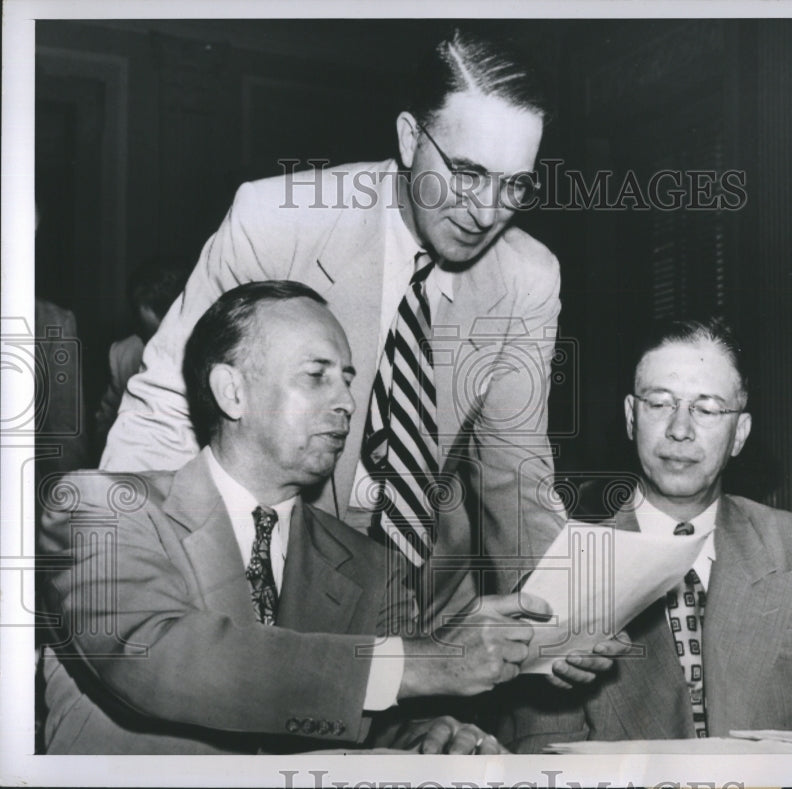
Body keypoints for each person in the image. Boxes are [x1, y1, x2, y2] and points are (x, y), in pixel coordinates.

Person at [100, 29, 564, 625]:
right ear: (408, 138)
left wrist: (561, 620)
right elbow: (167, 409)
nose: (487, 211)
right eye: (468, 173)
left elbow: (516, 477)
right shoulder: (275, 223)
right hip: (272, 584)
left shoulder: (528, 276)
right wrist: (122, 583)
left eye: (515, 183)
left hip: (426, 604)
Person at [39, 281, 575, 755]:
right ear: (232, 391)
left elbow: (371, 717)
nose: (347, 401)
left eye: (347, 379)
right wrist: (424, 662)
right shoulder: (99, 508)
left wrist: (433, 738)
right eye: (316, 376)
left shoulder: (373, 567)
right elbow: (157, 658)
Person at [497, 318, 792, 752]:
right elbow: (545, 748)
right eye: (659, 403)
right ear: (630, 416)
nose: (679, 429)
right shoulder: (564, 561)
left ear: (740, 433)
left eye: (706, 409)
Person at [93, 261, 187, 452]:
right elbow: (105, 421)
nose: (152, 344)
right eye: (147, 334)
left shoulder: (215, 354)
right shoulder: (123, 354)